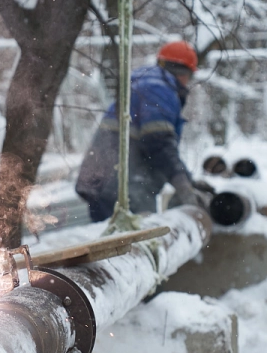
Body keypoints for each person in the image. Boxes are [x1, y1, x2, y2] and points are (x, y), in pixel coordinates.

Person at [75, 40, 212, 221]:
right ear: (183, 73)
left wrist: (188, 179)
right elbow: (158, 142)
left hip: (106, 180)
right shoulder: (159, 88)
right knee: (135, 242)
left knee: (111, 242)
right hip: (125, 185)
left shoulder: (145, 82)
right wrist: (183, 185)